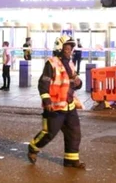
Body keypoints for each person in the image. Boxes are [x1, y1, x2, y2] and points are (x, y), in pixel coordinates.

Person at [27, 36, 86, 169]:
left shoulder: (70, 63)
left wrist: (78, 83)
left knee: (74, 132)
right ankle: (33, 148)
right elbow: (43, 83)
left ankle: (71, 160)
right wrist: (46, 100)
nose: (69, 51)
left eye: (70, 48)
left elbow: (72, 82)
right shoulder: (51, 63)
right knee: (49, 133)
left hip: (69, 105)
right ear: (59, 48)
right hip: (54, 106)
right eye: (66, 48)